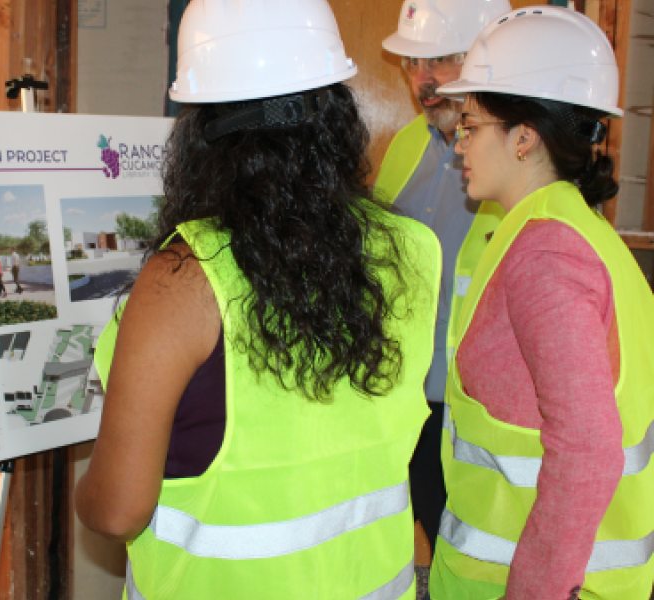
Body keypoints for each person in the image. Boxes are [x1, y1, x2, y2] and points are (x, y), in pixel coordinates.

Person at [74, 1, 442, 598]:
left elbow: (116, 511)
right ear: (335, 115)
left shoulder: (186, 281)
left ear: (201, 133)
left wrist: (85, 490)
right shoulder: (413, 250)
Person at [428, 7, 654, 600]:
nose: (459, 146)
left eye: (471, 125)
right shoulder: (567, 232)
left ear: (523, 136)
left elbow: (587, 450)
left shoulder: (548, 254)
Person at [376, 0, 510, 555]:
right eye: (413, 63)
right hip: (406, 397)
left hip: (480, 408)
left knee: (480, 546)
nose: (422, 80)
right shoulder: (405, 146)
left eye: (444, 60)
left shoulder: (515, 157)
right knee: (429, 530)